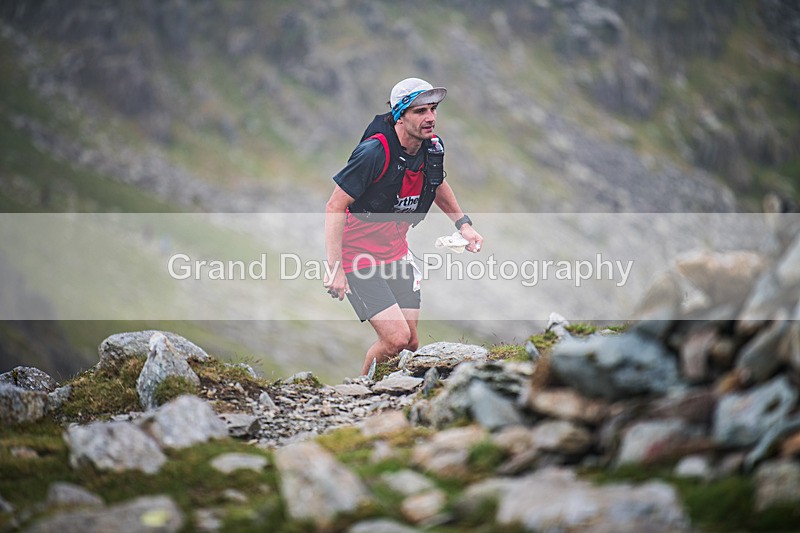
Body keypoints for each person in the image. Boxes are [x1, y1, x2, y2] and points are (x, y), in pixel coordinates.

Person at [324, 77, 483, 376]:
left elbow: (436, 184)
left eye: (433, 109)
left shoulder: (431, 149)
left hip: (396, 253)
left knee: (410, 343)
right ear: (400, 115)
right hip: (359, 257)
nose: (431, 118)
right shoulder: (373, 153)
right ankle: (359, 393)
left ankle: (380, 391)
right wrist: (335, 268)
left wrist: (463, 224)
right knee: (395, 339)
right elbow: (335, 205)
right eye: (420, 111)